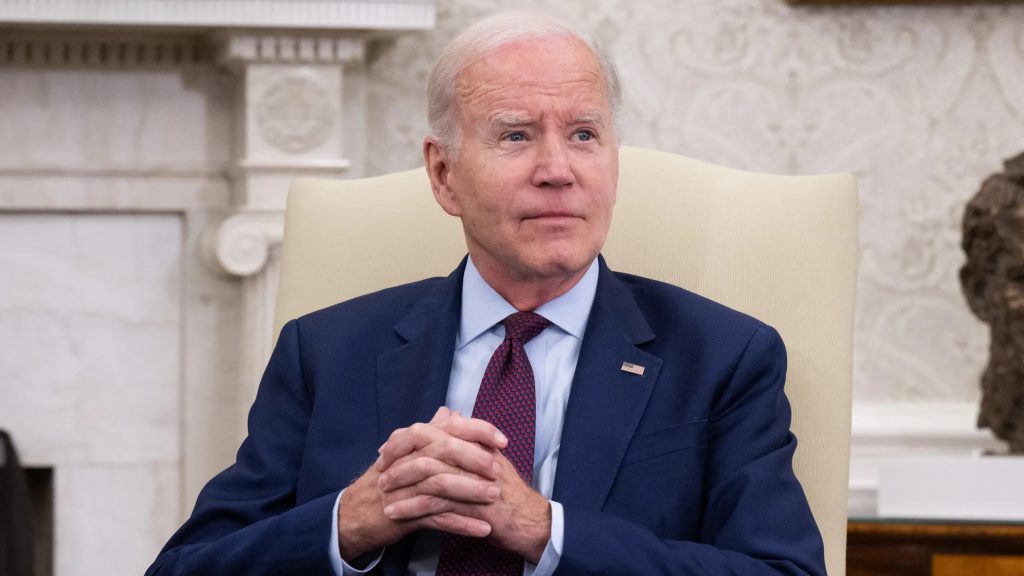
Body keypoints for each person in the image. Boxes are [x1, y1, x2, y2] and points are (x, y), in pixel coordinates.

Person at [147, 12, 826, 576]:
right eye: (516, 136)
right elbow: (186, 567)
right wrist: (349, 523)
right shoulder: (327, 351)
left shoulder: (723, 358)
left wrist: (547, 531)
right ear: (444, 176)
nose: (557, 170)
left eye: (584, 134)